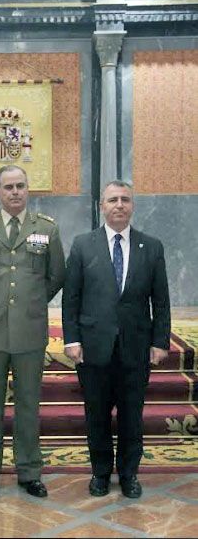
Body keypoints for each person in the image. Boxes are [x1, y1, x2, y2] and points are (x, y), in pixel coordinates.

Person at [62, 180, 171, 499]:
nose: (119, 205)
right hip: (93, 347)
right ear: (102, 206)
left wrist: (160, 341)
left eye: (125, 199)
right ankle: (99, 473)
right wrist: (72, 338)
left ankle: (129, 474)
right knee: (95, 414)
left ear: (132, 205)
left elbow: (161, 300)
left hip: (135, 348)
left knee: (131, 415)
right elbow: (72, 298)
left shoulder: (151, 246)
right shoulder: (83, 244)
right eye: (113, 200)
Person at [0, 165, 65, 500]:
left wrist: (29, 304)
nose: (15, 192)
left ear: (28, 189)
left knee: (28, 405)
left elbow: (55, 277)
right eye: (8, 187)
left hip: (30, 331)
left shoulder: (47, 229)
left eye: (21, 185)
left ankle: (30, 472)